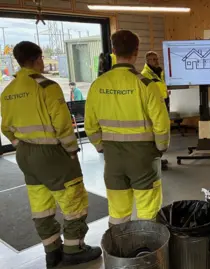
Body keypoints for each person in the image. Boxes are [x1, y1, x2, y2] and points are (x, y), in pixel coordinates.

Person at [0, 41, 102, 268]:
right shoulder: (47, 87)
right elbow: (63, 125)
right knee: (73, 200)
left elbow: (5, 128)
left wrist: (21, 144)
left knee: (41, 204)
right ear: (37, 59)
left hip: (25, 154)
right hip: (52, 154)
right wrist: (71, 151)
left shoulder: (8, 91)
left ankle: (52, 250)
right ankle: (74, 248)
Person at [85, 30, 170, 227]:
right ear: (137, 52)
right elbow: (161, 124)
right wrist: (161, 147)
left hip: (113, 156)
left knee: (118, 210)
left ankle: (119, 249)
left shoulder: (98, 85)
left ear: (113, 50)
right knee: (148, 208)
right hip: (143, 157)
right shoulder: (146, 85)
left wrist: (100, 146)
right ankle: (147, 253)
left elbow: (90, 125)